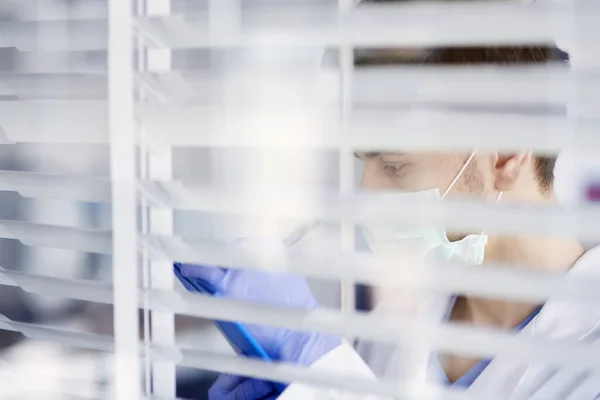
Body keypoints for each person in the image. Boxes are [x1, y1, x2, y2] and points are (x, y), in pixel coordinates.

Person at [176, 16, 600, 400]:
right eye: (363, 163)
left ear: (505, 155)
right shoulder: (395, 328)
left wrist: (320, 371)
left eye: (396, 165)